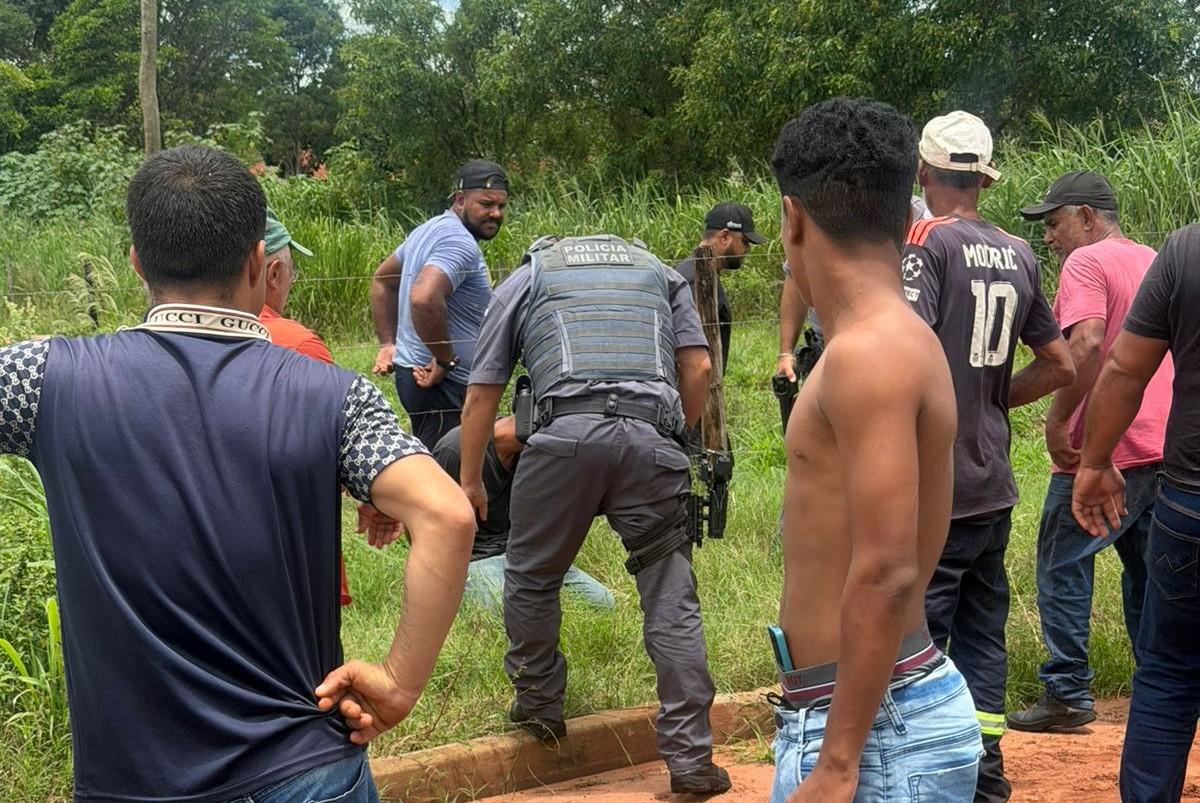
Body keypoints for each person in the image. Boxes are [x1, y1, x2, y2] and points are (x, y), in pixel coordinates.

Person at [0, 144, 476, 801]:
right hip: (304, 769)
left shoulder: (44, 378)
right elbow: (448, 515)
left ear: (136, 262)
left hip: (133, 783)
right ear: (259, 261)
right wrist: (398, 682)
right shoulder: (335, 396)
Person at [458, 233, 730, 794]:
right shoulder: (661, 271)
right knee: (669, 595)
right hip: (651, 444)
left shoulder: (531, 274)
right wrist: (675, 436)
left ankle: (539, 706)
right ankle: (691, 760)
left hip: (561, 443)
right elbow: (698, 368)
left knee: (532, 577)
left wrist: (469, 483)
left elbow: (481, 391)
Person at [768, 97, 980, 803]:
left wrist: (836, 761)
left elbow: (888, 566)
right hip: (878, 713)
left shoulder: (869, 352)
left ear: (794, 219)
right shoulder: (891, 337)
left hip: (871, 729)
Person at [902, 110, 1075, 802]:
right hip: (993, 483)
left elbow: (903, 351)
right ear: (984, 178)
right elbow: (1059, 363)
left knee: (917, 641)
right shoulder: (1019, 250)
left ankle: (925, 776)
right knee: (982, 636)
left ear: (923, 173)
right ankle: (986, 775)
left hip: (932, 486)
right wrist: (995, 399)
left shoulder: (924, 242)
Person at [1008, 172, 1172, 733]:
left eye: (1054, 223)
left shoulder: (1087, 263)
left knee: (1061, 562)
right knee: (1148, 574)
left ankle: (1066, 691)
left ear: (1086, 215)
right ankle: (1160, 685)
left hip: (1103, 448)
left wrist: (1060, 421)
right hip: (1160, 442)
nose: (1049, 237)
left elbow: (1086, 343)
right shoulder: (1153, 256)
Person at [1072, 224, 1200, 802]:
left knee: (1170, 674)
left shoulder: (1186, 249)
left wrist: (1095, 461)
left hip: (1190, 503)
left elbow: (1124, 368)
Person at [369, 159, 508, 448]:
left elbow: (383, 279)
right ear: (460, 200)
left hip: (418, 376)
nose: (495, 213)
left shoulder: (428, 229)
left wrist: (387, 344)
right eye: (486, 204)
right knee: (443, 475)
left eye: (501, 206)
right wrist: (445, 360)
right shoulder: (458, 242)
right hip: (439, 385)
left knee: (431, 463)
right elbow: (423, 298)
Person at [431, 417, 615, 612]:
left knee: (603, 602)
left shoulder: (538, 455)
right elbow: (428, 524)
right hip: (476, 559)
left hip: (527, 556)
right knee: (507, 609)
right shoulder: (457, 449)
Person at [675, 202, 767, 373]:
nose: (747, 249)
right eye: (745, 242)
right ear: (724, 237)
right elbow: (693, 360)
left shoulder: (691, 273)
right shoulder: (695, 283)